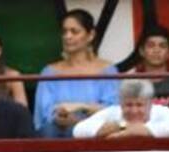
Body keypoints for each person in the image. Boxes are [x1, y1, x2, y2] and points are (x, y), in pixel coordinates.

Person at [33, 9, 119, 139]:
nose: (68, 36)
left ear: (90, 35)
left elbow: (114, 110)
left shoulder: (107, 70)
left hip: (97, 134)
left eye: (74, 31)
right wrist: (60, 116)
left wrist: (80, 112)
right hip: (58, 134)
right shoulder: (49, 72)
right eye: (64, 31)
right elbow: (44, 113)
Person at [72, 77, 169, 139]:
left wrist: (127, 133)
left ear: (150, 103)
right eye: (128, 105)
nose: (134, 110)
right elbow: (78, 130)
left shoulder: (166, 112)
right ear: (121, 103)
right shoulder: (113, 111)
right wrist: (122, 126)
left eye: (139, 105)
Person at [132, 24, 169, 115]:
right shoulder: (130, 83)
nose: (156, 50)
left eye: (162, 46)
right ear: (141, 51)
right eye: (151, 45)